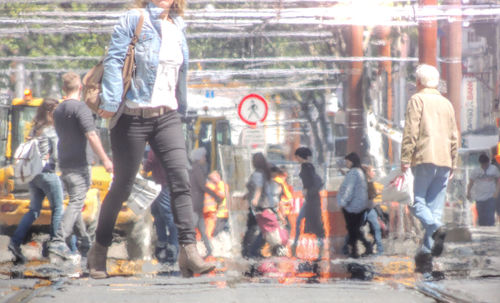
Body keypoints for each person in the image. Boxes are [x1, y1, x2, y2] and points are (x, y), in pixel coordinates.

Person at [91, 0, 214, 279]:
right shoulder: (133, 19)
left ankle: (189, 250)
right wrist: (110, 101)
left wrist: (181, 106)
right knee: (121, 187)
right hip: (132, 115)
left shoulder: (178, 25)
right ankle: (99, 249)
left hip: (167, 114)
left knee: (181, 178)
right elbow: (114, 60)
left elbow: (179, 72)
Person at [48, 72, 113, 263]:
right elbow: (92, 136)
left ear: (63, 89)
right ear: (81, 88)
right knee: (77, 201)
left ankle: (85, 241)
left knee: (74, 203)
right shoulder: (81, 109)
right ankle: (59, 240)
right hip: (80, 165)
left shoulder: (58, 110)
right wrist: (106, 160)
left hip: (65, 164)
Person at [400, 64, 458, 275]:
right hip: (445, 161)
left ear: (418, 82)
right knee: (434, 208)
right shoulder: (446, 103)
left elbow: (411, 131)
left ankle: (436, 230)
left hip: (423, 158)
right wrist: (454, 161)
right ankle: (426, 250)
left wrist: (405, 158)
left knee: (416, 202)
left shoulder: (417, 100)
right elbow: (454, 134)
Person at [8, 98, 64, 264]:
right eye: (57, 112)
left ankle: (15, 242)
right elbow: (55, 156)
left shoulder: (34, 129)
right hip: (49, 174)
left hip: (34, 176)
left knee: (34, 210)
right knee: (58, 208)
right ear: (50, 113)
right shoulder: (51, 130)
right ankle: (56, 244)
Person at [143, 149, 178, 265]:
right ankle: (163, 243)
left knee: (166, 214)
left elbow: (150, 163)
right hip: (165, 183)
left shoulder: (156, 147)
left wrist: (144, 168)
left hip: (161, 184)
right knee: (159, 214)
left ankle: (172, 244)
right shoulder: (168, 145)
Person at [291, 147, 325, 260]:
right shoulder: (308, 167)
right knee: (306, 223)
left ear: (300, 156)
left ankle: (296, 250)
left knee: (317, 227)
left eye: (296, 156)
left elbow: (315, 183)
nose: (296, 158)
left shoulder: (307, 167)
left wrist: (307, 191)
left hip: (312, 201)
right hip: (311, 200)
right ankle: (295, 249)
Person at [337, 152, 370, 258]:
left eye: (347, 161)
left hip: (352, 206)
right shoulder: (359, 171)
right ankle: (359, 248)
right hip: (361, 205)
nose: (346, 163)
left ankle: (356, 250)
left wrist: (343, 202)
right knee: (354, 229)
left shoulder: (353, 172)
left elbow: (349, 190)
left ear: (351, 161)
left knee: (352, 229)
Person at [189, 147, 213, 257]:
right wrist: (216, 196)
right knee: (191, 230)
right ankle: (187, 252)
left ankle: (209, 250)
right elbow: (203, 186)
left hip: (197, 206)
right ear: (199, 158)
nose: (205, 159)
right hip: (195, 205)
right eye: (203, 157)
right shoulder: (197, 169)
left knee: (202, 230)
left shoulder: (194, 168)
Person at [467, 153, 500, 226]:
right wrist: (468, 192)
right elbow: (471, 183)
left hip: (490, 196)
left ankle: (490, 231)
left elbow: (498, 180)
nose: (484, 166)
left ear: (488, 162)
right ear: (480, 163)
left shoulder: (493, 169)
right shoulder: (476, 171)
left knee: (490, 216)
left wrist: (497, 191)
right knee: (481, 217)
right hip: (479, 197)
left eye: (486, 164)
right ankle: (483, 232)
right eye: (483, 164)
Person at [362, 164, 384, 255]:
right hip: (362, 211)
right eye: (372, 171)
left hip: (370, 209)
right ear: (367, 173)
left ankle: (380, 250)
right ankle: (345, 248)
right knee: (355, 228)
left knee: (376, 228)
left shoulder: (370, 183)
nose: (374, 173)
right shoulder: (362, 184)